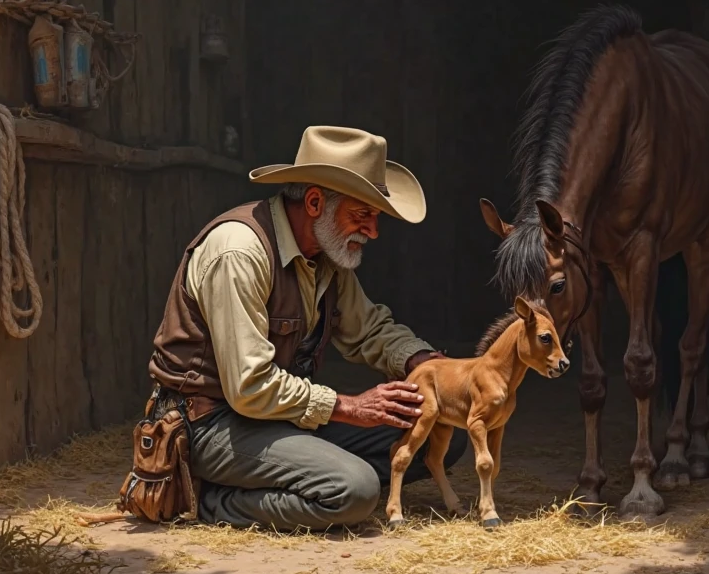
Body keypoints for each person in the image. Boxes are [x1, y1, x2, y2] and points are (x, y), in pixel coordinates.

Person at [145, 125, 468, 532]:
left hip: (279, 418)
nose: (373, 231)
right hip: (210, 426)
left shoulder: (326, 255)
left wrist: (426, 362)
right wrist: (351, 407)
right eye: (362, 214)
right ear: (315, 202)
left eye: (376, 216)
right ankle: (208, 500)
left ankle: (300, 476)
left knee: (442, 431)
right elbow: (249, 387)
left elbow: (368, 330)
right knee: (355, 490)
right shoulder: (239, 252)